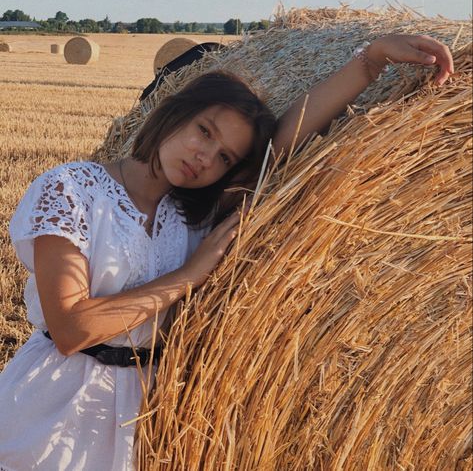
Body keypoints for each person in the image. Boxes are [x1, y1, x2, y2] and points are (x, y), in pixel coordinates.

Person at [0, 34, 453, 471]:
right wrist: (188, 277)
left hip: (146, 413)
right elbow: (70, 327)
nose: (205, 157)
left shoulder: (191, 215)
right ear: (175, 111)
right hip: (53, 408)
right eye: (204, 130)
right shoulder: (73, 189)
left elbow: (282, 145)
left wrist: (370, 61)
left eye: (224, 157)